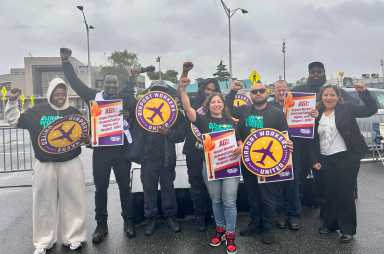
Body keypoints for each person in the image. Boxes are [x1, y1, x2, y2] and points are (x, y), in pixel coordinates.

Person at [60, 48, 137, 242]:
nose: (112, 85)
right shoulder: (94, 96)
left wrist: (128, 115)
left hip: (121, 152)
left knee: (124, 189)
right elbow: (76, 84)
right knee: (101, 189)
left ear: (117, 85)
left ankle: (128, 221)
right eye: (108, 82)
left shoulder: (124, 99)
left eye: (114, 82)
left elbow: (137, 109)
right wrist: (65, 62)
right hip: (101, 153)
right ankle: (101, 225)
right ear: (103, 83)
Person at [5, 79, 87, 254]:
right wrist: (11, 102)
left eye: (63, 94)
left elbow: (86, 135)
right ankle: (44, 241)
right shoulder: (36, 111)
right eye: (57, 94)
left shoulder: (74, 113)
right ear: (50, 94)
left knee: (74, 200)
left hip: (70, 162)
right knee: (43, 203)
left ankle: (74, 237)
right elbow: (14, 120)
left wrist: (89, 138)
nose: (60, 97)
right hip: (45, 164)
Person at [178, 69, 242, 254]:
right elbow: (188, 110)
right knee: (216, 200)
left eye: (218, 102)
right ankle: (220, 230)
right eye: (213, 102)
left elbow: (239, 140)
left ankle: (230, 234)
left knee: (229, 201)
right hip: (211, 167)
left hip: (229, 167)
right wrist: (182, 90)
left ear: (223, 105)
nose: (216, 104)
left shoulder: (231, 122)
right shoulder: (203, 120)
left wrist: (240, 146)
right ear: (209, 105)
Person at [227, 81, 293, 244]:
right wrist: (239, 140)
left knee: (268, 198)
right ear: (250, 95)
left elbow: (284, 135)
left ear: (266, 92)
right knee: (253, 195)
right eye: (255, 91)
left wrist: (288, 143)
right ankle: (255, 224)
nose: (258, 93)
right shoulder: (243, 111)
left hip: (269, 164)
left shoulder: (277, 113)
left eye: (261, 91)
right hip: (248, 162)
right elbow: (228, 112)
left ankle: (268, 228)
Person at [311, 82, 377, 243]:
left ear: (338, 97)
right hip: (326, 158)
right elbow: (312, 138)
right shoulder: (316, 113)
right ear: (321, 97)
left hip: (347, 157)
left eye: (332, 95)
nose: (328, 97)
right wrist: (315, 160)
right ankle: (331, 224)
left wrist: (364, 93)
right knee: (330, 193)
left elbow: (370, 110)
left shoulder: (346, 108)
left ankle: (347, 229)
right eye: (325, 95)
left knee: (345, 194)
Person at [139, 80, 186, 236]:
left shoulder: (176, 113)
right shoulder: (141, 110)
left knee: (168, 189)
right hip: (147, 158)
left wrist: (169, 133)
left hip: (167, 158)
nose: (158, 93)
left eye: (162, 90)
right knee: (149, 190)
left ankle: (170, 216)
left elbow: (182, 134)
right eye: (155, 90)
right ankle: (151, 218)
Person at [181, 63, 222, 231]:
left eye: (214, 90)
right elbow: (181, 91)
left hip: (215, 153)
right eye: (208, 89)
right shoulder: (193, 101)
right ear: (202, 89)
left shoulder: (219, 105)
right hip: (194, 151)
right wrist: (184, 72)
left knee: (213, 186)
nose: (210, 93)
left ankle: (214, 214)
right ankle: (200, 215)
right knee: (196, 184)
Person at [270, 80, 302, 230]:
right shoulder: (269, 107)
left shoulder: (296, 104)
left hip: (293, 149)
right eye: (278, 90)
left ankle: (294, 215)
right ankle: (280, 214)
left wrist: (312, 114)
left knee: (293, 184)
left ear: (288, 90)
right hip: (275, 150)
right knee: (277, 183)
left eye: (284, 89)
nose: (281, 92)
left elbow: (306, 122)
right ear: (274, 91)